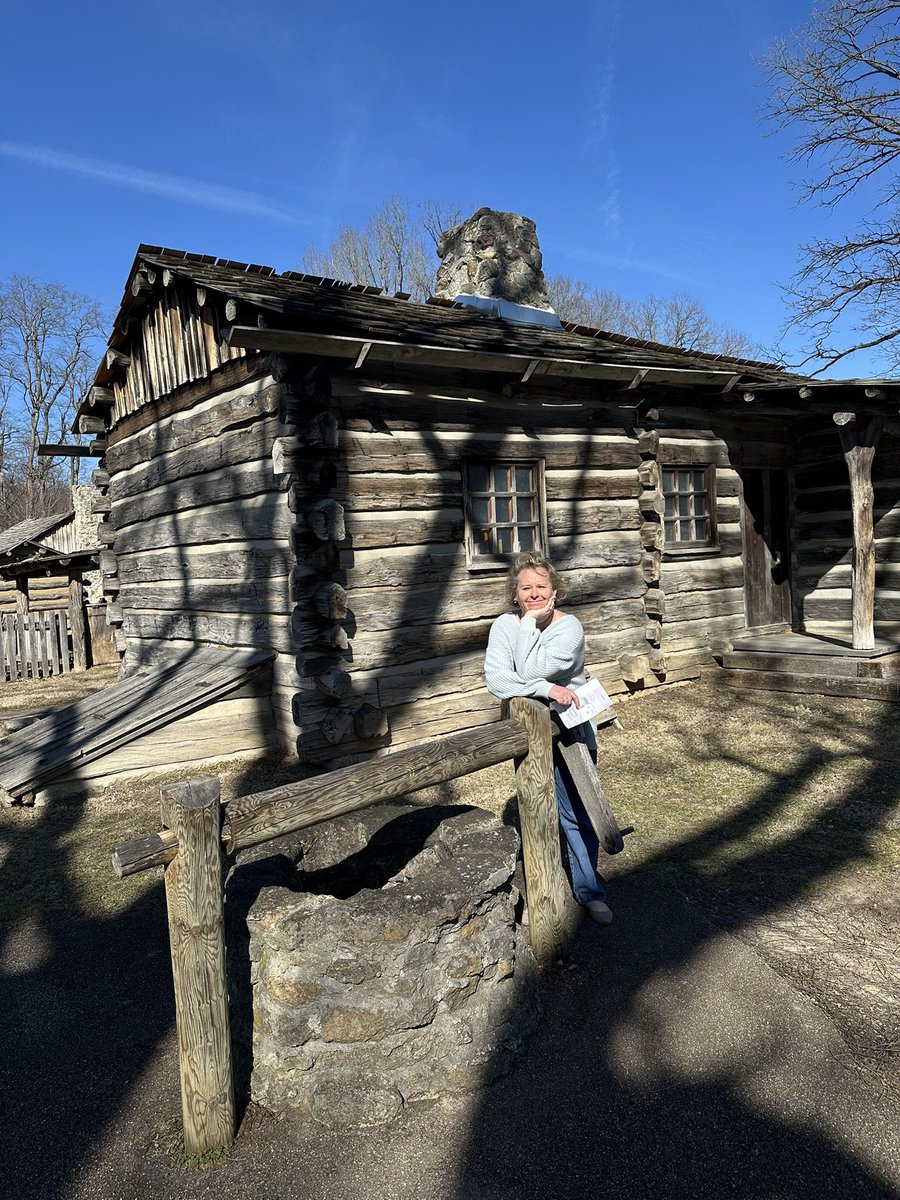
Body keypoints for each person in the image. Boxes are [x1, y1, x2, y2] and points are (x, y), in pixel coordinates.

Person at [484, 551, 613, 925]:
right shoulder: (504, 626)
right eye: (526, 588)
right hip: (527, 733)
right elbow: (497, 680)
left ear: (554, 590)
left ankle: (590, 892)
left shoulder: (568, 627)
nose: (534, 593)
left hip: (570, 730)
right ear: (515, 593)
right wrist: (546, 688)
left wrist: (530, 638)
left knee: (577, 812)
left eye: (541, 586)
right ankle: (543, 894)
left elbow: (527, 668)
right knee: (537, 814)